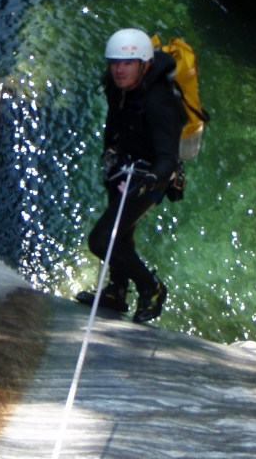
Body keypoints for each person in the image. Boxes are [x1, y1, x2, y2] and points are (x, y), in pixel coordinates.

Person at [76, 28, 185, 323]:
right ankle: (117, 291)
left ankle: (152, 288)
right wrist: (109, 157)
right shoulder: (118, 88)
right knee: (121, 234)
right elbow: (114, 123)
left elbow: (168, 158)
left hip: (151, 177)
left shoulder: (160, 103)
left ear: (145, 65)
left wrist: (149, 181)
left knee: (101, 240)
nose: (119, 70)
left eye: (127, 64)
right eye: (114, 63)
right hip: (122, 167)